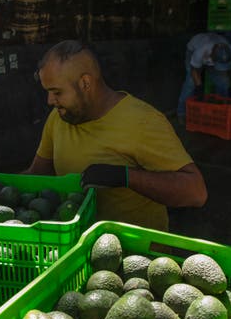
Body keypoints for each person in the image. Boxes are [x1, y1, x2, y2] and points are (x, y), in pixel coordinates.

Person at [23, 40, 207, 232]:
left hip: (134, 255)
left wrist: (126, 177)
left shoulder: (142, 121)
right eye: (48, 92)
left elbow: (196, 192)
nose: (50, 100)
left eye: (57, 92)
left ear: (85, 83)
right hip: (77, 247)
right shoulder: (59, 118)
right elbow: (37, 175)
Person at [176, 32, 231, 125]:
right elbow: (194, 70)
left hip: (211, 56)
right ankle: (181, 113)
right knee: (190, 83)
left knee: (223, 82)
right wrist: (199, 86)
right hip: (192, 51)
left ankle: (220, 112)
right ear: (212, 56)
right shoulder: (201, 50)